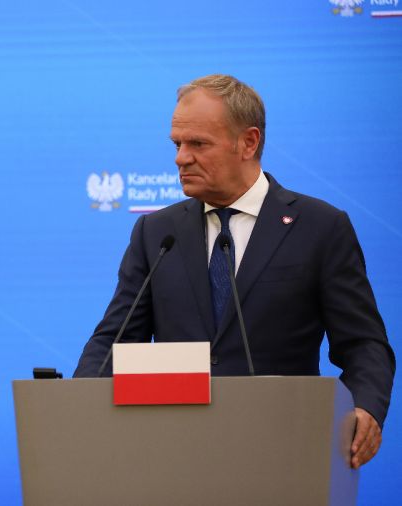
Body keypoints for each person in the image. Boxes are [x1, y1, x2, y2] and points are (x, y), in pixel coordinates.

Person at [74, 74, 394, 469]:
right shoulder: (157, 232)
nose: (180, 157)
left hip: (283, 453)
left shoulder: (320, 227)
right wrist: (77, 409)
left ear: (248, 142)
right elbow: (114, 340)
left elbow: (363, 343)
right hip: (173, 456)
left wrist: (365, 407)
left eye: (198, 144)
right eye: (177, 144)